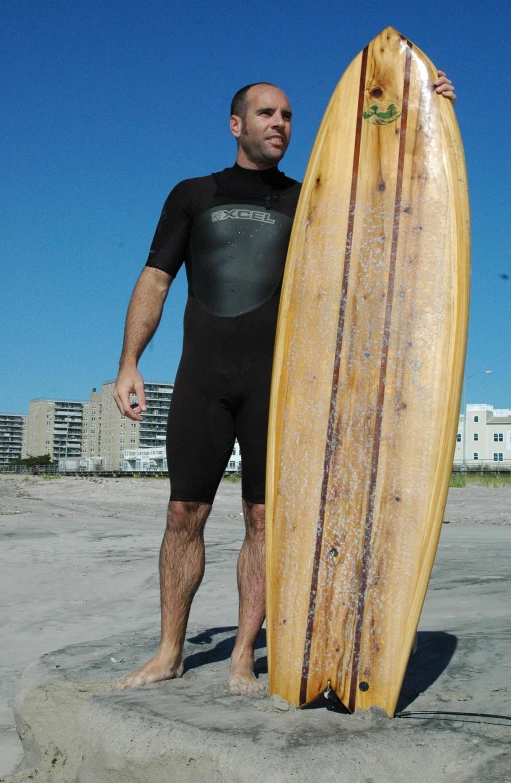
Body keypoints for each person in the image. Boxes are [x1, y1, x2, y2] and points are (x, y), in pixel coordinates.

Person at [113, 73, 457, 695]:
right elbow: (156, 278)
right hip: (203, 381)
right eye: (267, 113)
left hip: (278, 390)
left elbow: (394, 201)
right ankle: (169, 650)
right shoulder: (193, 194)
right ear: (236, 124)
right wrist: (129, 363)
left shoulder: (310, 201)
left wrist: (422, 110)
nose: (281, 123)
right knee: (184, 512)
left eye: (289, 116)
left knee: (264, 519)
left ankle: (244, 654)